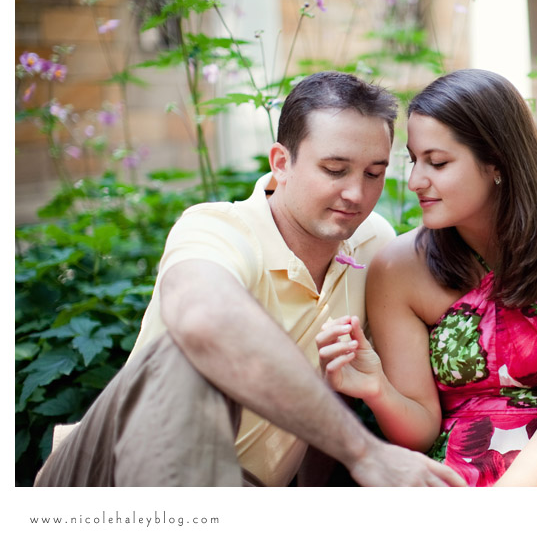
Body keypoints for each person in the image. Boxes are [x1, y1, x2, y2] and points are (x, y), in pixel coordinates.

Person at [34, 71, 465, 487]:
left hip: (240, 494)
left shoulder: (373, 245)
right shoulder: (216, 229)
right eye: (335, 169)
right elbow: (204, 318)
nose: (356, 194)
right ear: (281, 163)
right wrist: (365, 453)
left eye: (373, 173)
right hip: (110, 473)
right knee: (191, 350)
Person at [316, 69, 537, 487]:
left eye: (437, 162)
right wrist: (377, 387)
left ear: (497, 163)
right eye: (414, 160)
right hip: (452, 475)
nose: (416, 180)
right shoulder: (397, 266)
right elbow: (420, 433)